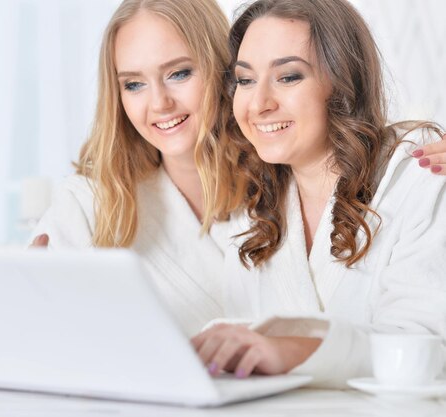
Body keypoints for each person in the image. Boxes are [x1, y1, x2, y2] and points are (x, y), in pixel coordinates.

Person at [192, 0, 446, 387]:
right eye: (244, 80)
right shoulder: (253, 213)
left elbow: (424, 347)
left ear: (341, 83)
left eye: (289, 76)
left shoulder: (418, 174)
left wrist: (295, 351)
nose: (259, 103)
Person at [32, 0, 241, 337]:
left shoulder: (285, 190)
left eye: (179, 73)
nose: (159, 103)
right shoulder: (89, 203)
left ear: (222, 69)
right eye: (134, 84)